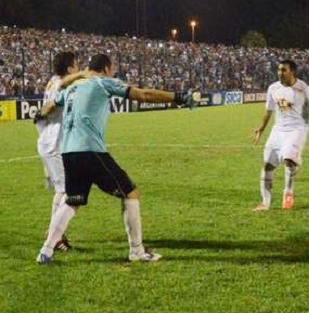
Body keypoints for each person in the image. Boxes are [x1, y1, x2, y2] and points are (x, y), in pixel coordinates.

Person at [36, 54, 196, 264]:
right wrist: (177, 97)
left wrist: (39, 116)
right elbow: (144, 95)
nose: (114, 72)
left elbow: (48, 107)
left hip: (68, 151)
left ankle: (45, 252)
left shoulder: (71, 88)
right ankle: (137, 251)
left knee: (72, 202)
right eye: (113, 68)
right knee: (130, 193)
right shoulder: (103, 82)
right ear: (106, 68)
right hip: (91, 150)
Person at [252, 59, 309, 211]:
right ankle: (265, 203)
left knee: (288, 160)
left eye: (284, 70)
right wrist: (261, 128)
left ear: (292, 72)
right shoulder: (273, 88)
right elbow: (269, 111)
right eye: (279, 70)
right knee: (267, 165)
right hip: (278, 130)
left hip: (297, 130)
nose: (280, 73)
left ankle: (288, 193)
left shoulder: (304, 89)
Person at [35, 52, 82, 251]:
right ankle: (55, 237)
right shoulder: (58, 83)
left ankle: (54, 233)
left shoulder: (53, 81)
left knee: (61, 190)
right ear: (69, 68)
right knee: (69, 192)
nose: (78, 67)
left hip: (49, 141)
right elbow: (62, 86)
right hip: (53, 143)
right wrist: (86, 74)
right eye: (76, 64)